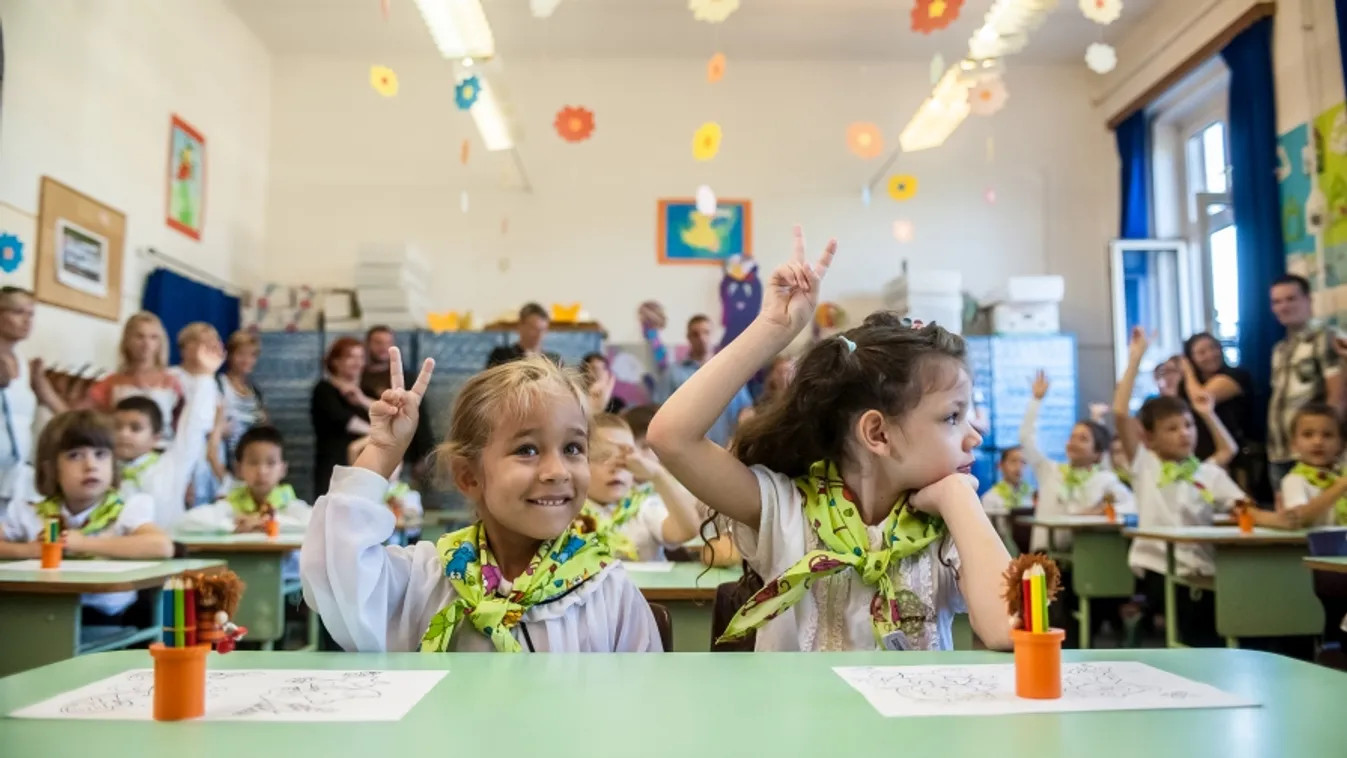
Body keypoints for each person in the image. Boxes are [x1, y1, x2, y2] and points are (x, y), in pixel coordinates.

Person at [646, 226, 1011, 652]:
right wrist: (772, 328)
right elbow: (671, 437)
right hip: (797, 722)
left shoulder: (947, 525)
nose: (975, 435)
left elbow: (1010, 628)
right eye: (952, 416)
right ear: (877, 433)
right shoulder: (786, 512)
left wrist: (958, 499)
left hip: (912, 723)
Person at [301, 349, 662, 653]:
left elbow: (639, 710)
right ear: (469, 476)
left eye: (572, 448)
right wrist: (381, 451)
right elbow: (334, 577)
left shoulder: (606, 590)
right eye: (527, 449)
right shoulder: (430, 578)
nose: (557, 471)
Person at [1115, 327, 1244, 647]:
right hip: (1161, 568)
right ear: (1150, 438)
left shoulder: (1201, 471)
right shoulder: (1147, 464)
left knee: (1237, 609)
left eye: (1188, 426)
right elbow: (1120, 412)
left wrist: (1206, 414)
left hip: (1202, 567)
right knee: (1200, 624)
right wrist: (1136, 357)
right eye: (1172, 429)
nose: (1184, 434)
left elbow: (1228, 452)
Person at [0, 411, 172, 624]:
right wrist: (28, 551)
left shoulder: (126, 509)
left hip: (105, 621)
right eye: (75, 456)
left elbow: (161, 546)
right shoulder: (30, 512)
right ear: (50, 468)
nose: (90, 465)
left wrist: (84, 543)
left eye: (101, 454)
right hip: (37, 614)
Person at [112, 337, 223, 526]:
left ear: (155, 438)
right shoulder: (104, 468)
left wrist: (205, 376)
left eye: (135, 428)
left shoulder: (171, 465)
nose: (124, 434)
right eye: (117, 427)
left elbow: (193, 426)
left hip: (164, 549)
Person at [1023, 370, 1133, 553]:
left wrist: (1099, 511)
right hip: (1046, 555)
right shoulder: (1050, 471)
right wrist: (1036, 400)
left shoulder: (1104, 479)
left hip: (1085, 554)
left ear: (1098, 453)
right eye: (1072, 437)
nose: (1073, 442)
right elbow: (1027, 438)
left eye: (1083, 439)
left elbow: (1132, 506)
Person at [580, 414, 701, 562]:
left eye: (625, 457)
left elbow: (686, 531)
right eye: (603, 457)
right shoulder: (567, 513)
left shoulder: (644, 506)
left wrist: (658, 475)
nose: (616, 467)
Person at [1268, 274, 1343, 489]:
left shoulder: (1326, 338)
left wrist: (1329, 449)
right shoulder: (1279, 349)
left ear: (1308, 300)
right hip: (1280, 451)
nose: (1283, 306)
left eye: (1291, 299)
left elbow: (1337, 398)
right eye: (1277, 301)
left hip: (1314, 453)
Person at [177, 425, 311, 536]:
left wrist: (265, 523)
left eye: (271, 463)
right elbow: (185, 522)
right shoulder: (231, 503)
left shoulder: (289, 503)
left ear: (283, 469)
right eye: (253, 462)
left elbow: (315, 523)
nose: (262, 471)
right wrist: (233, 525)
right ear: (239, 468)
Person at [648, 314, 753, 448]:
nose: (702, 338)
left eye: (706, 332)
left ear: (713, 336)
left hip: (728, 450)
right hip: (687, 452)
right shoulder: (673, 373)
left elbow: (746, 410)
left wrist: (737, 439)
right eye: (695, 334)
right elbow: (659, 413)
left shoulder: (731, 371)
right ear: (689, 338)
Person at [0, 287, 62, 511]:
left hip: (16, 473)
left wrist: (41, 382)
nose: (27, 321)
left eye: (31, 314)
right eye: (18, 313)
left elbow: (63, 414)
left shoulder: (24, 363)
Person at [85, 312, 186, 442]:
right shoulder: (112, 382)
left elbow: (184, 425)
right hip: (122, 452)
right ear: (127, 340)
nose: (146, 344)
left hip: (163, 452)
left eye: (153, 337)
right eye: (139, 336)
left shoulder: (172, 382)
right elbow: (77, 416)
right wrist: (49, 392)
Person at [1251, 403, 1347, 529]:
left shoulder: (1341, 475)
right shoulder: (1294, 481)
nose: (1317, 442)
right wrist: (1340, 487)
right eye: (1308, 435)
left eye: (1327, 435)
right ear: (1294, 444)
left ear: (1341, 444)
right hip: (1310, 547)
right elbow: (1298, 518)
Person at [361, 325, 434, 478]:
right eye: (378, 342)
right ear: (367, 344)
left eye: (388, 343)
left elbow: (421, 416)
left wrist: (425, 454)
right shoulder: (359, 378)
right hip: (365, 451)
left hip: (404, 455)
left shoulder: (406, 379)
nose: (383, 347)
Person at [310, 337, 371, 497]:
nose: (357, 362)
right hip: (334, 463)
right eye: (351, 356)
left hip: (364, 465)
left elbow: (384, 414)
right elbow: (343, 420)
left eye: (361, 357)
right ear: (336, 361)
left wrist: (362, 400)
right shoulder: (324, 390)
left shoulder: (364, 390)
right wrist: (376, 433)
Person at [219, 330, 268, 464]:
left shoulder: (255, 392)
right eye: (241, 354)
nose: (246, 360)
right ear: (229, 355)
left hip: (251, 463)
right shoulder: (218, 385)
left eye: (252, 355)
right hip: (224, 463)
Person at [485, 303, 559, 368]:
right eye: (533, 328)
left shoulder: (553, 360)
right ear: (520, 326)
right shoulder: (502, 356)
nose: (538, 334)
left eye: (542, 330)